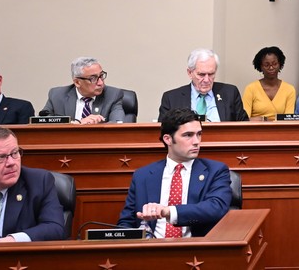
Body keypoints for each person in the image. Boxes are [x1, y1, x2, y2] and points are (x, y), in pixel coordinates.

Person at [117, 108, 232, 237]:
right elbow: (127, 222)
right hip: (151, 249)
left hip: (195, 250)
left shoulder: (215, 171)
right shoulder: (142, 175)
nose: (196, 141)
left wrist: (168, 211)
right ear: (168, 139)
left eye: (199, 134)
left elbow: (215, 208)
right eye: (188, 135)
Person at [0, 126, 65, 241]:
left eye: (15, 153)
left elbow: (55, 227)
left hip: (18, 257)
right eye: (0, 157)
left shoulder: (39, 181)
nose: (11, 163)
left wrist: (11, 240)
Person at [159, 49, 248, 122]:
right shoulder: (171, 98)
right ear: (190, 73)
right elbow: (163, 132)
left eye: (211, 74)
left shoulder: (230, 93)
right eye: (201, 74)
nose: (206, 80)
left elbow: (244, 126)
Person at [41, 57, 127, 124]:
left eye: (101, 76)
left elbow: (118, 123)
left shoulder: (113, 95)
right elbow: (42, 122)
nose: (101, 83)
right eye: (93, 78)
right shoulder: (57, 95)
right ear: (77, 82)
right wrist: (77, 123)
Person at [242, 46, 296, 121]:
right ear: (260, 67)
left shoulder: (289, 89)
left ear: (280, 64)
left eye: (274, 64)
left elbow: (288, 119)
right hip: (256, 130)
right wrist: (265, 120)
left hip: (281, 131)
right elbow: (244, 119)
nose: (271, 68)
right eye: (267, 65)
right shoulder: (251, 88)